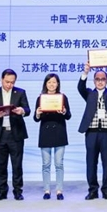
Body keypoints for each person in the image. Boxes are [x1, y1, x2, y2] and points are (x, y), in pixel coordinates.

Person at [77, 62, 107, 200]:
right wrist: (85, 72)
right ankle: (93, 190)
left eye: (103, 79)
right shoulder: (89, 93)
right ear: (94, 80)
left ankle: (106, 190)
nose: (100, 81)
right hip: (91, 132)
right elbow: (80, 87)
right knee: (91, 162)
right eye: (97, 79)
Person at [0, 68, 30, 201]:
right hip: (0, 134)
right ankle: (2, 191)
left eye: (12, 82)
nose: (9, 85)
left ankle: (17, 191)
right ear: (1, 80)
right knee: (1, 165)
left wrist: (22, 110)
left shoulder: (20, 92)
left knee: (17, 165)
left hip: (16, 133)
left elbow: (27, 109)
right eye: (7, 82)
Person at [34, 73, 71, 201]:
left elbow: (68, 115)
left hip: (59, 132)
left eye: (54, 82)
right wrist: (38, 113)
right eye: (49, 82)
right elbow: (36, 119)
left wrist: (64, 111)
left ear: (58, 84)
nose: (51, 84)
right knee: (46, 164)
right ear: (45, 84)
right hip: (45, 133)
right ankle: (47, 190)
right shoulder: (41, 98)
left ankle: (59, 190)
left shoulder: (62, 97)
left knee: (59, 163)